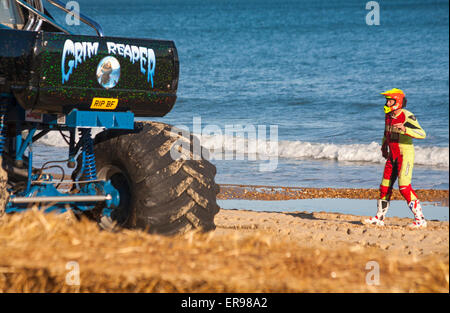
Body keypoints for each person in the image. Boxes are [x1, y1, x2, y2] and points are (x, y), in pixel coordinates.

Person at [363, 88, 427, 229]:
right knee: (384, 187)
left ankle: (420, 219)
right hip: (392, 156)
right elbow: (386, 133)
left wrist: (406, 129)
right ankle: (379, 218)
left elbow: (422, 134)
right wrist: (383, 147)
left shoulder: (407, 115)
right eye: (387, 100)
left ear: (397, 101)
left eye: (389, 100)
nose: (387, 103)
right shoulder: (388, 115)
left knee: (404, 187)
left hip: (405, 156)